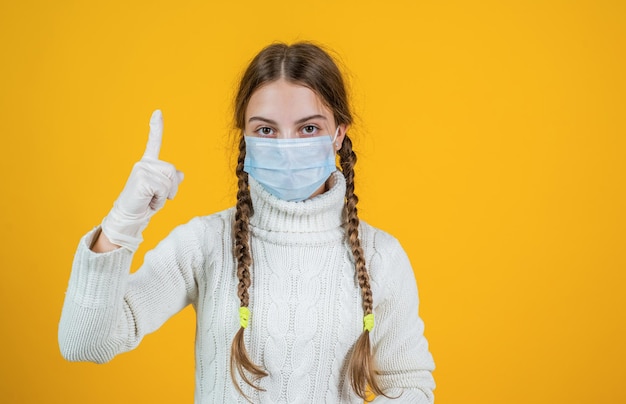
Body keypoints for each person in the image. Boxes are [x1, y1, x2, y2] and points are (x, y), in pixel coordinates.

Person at [59, 42, 435, 403]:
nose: (286, 146)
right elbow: (85, 343)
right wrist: (122, 223)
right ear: (246, 138)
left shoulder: (380, 256)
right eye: (266, 130)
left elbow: (408, 385)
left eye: (308, 128)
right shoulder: (205, 243)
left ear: (338, 134)